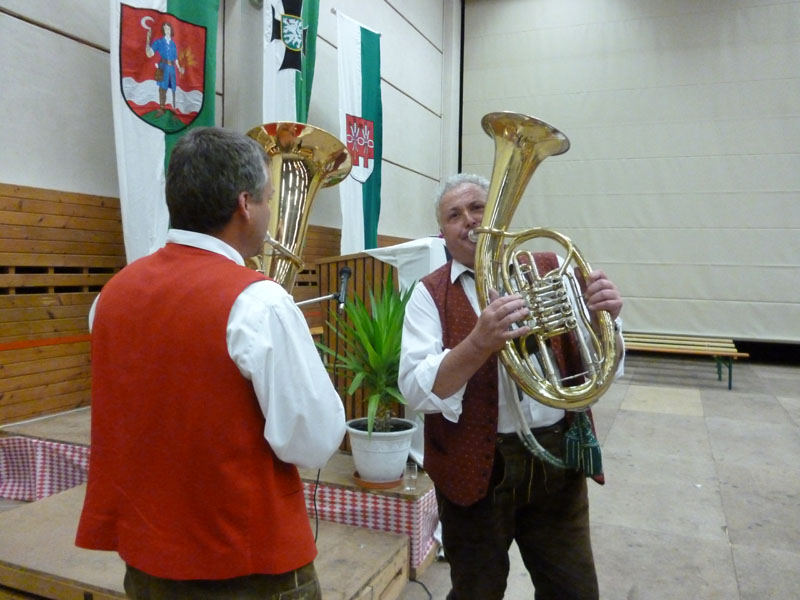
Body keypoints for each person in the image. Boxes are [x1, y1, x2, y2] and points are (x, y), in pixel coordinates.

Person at [75, 127, 346, 599]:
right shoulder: (261, 302)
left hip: (149, 563)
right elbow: (314, 442)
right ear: (245, 205)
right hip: (247, 566)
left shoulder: (109, 297)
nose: (270, 212)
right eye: (268, 199)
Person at [398, 173, 625, 600]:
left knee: (574, 591)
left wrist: (606, 319)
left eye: (478, 208)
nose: (469, 220)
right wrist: (478, 343)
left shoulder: (552, 269)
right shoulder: (428, 295)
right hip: (476, 469)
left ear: (499, 215)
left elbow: (601, 363)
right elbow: (415, 390)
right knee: (476, 592)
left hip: (558, 458)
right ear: (442, 232)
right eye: (454, 215)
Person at [146, 22, 184, 115]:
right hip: (163, 67)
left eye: (168, 29)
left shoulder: (173, 44)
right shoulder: (159, 42)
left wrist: (179, 68)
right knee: (162, 88)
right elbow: (149, 54)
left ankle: (174, 109)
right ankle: (162, 109)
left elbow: (175, 59)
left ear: (171, 30)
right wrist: (148, 40)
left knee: (173, 88)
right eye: (165, 29)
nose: (167, 31)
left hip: (172, 69)